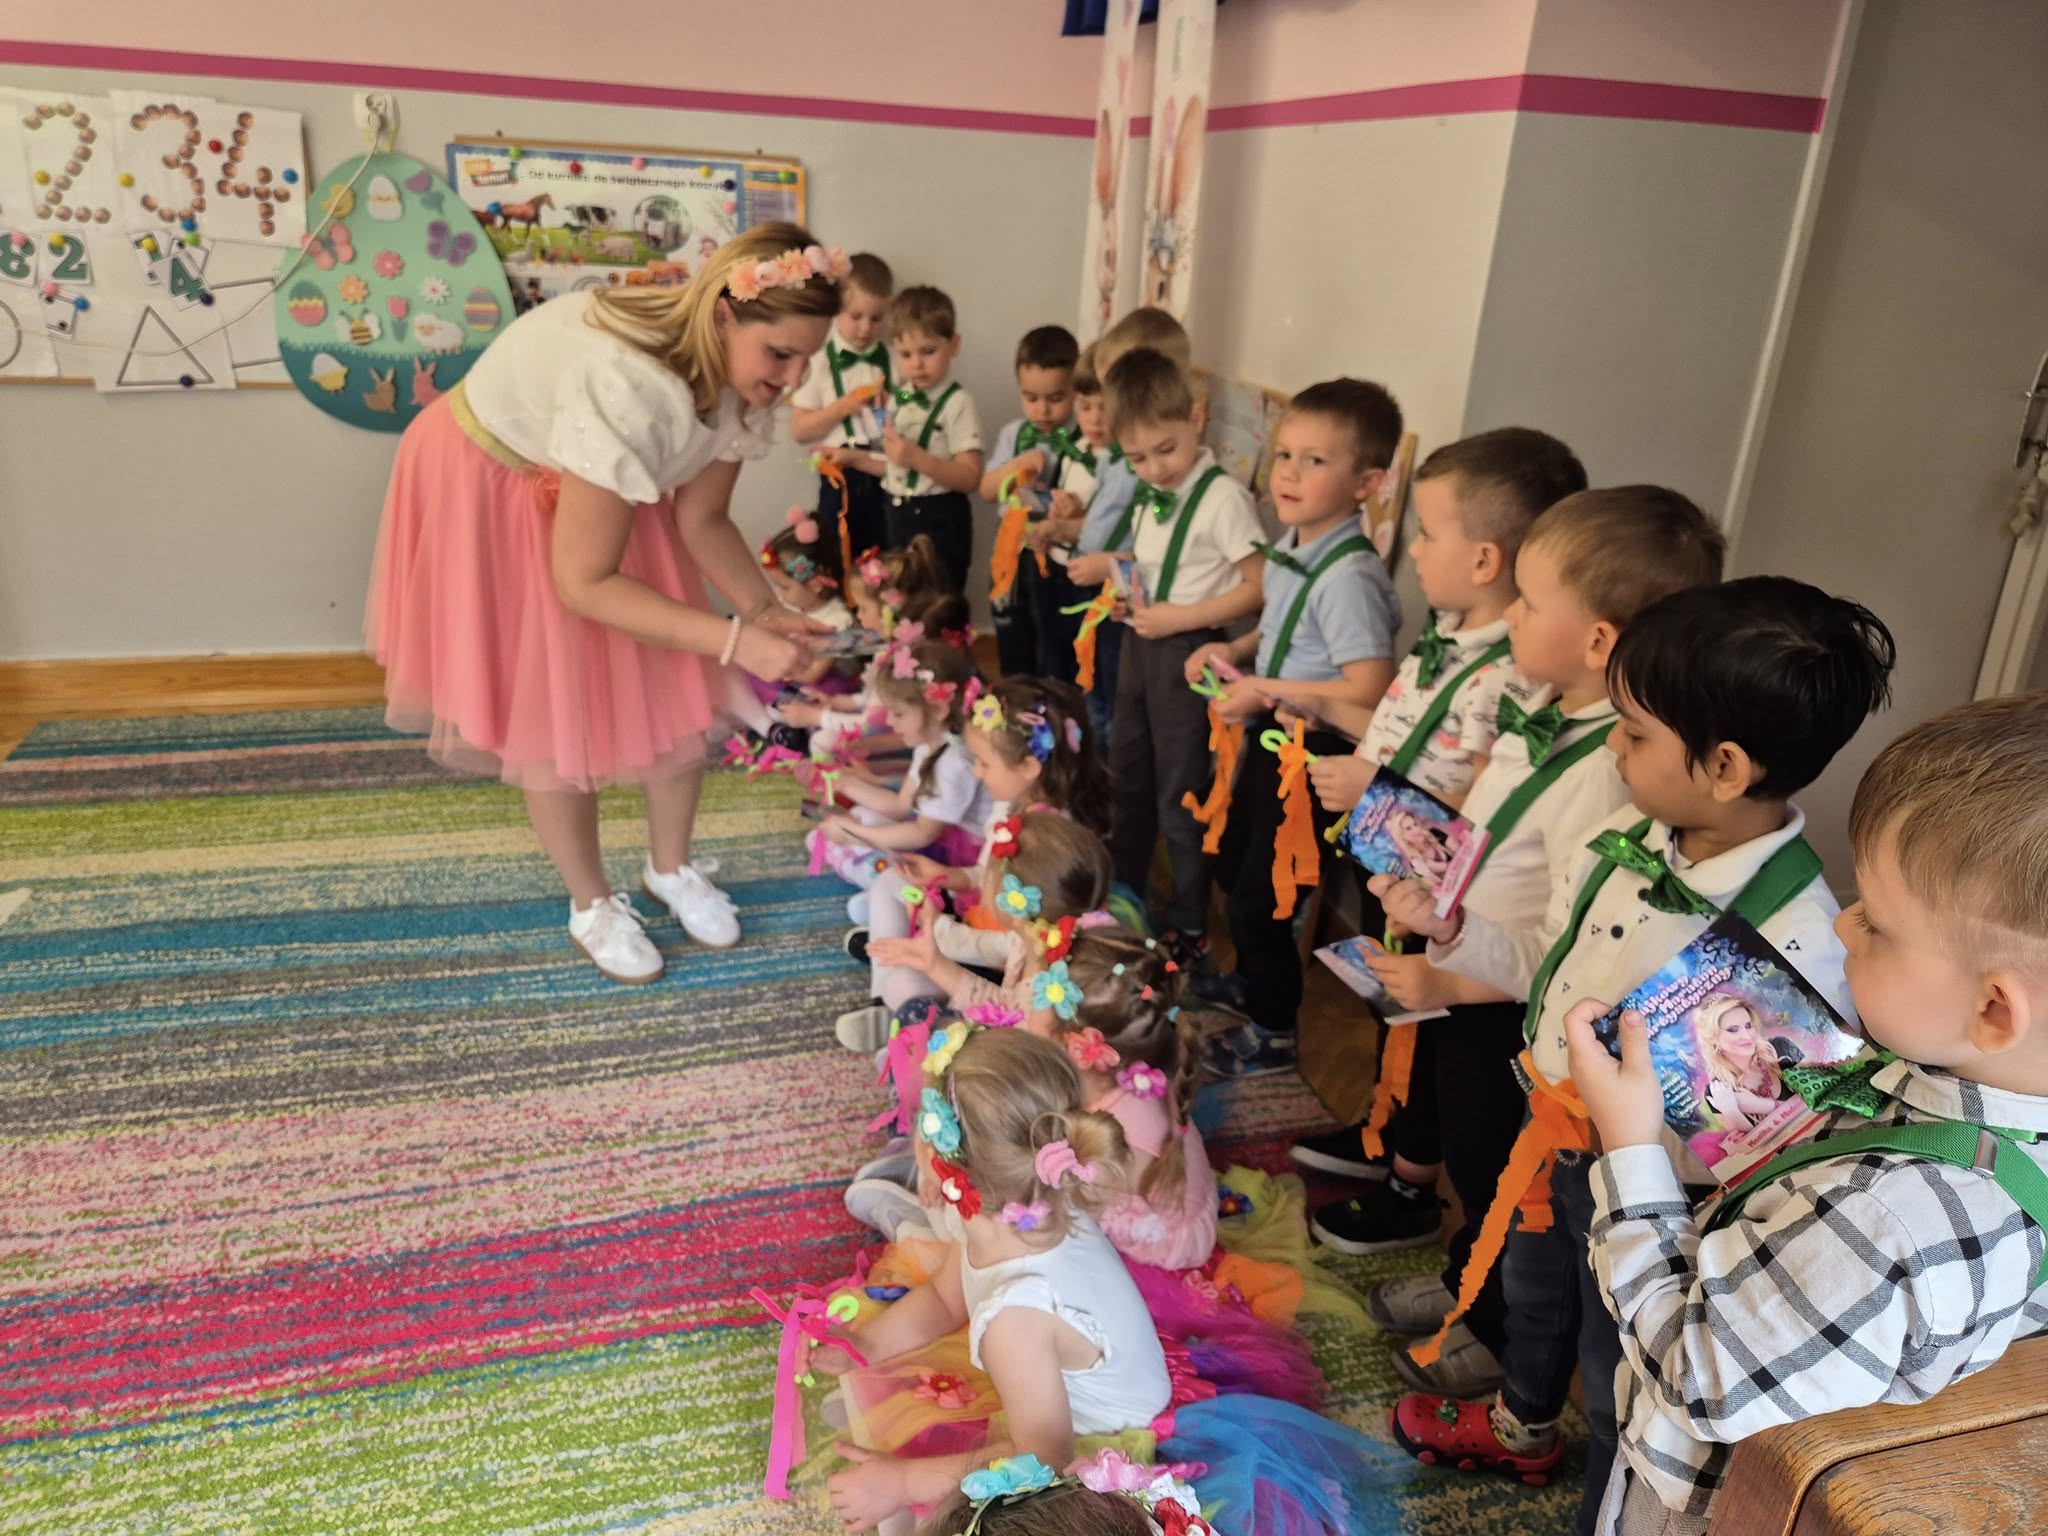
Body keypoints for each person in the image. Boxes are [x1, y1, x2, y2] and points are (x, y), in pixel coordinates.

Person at [1383, 574, 1896, 1536]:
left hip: (1650, 1192)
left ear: (1724, 767)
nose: (1613, 750)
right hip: (1547, 1128)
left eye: (1632, 734)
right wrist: (1453, 937)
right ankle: (1523, 1422)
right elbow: (1547, 962)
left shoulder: (1799, 939)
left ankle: (1606, 1514)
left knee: (1619, 1365)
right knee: (1533, 1292)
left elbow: (1776, 1142)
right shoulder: (1624, 836)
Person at [1572, 690, 2048, 1536]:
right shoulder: (1972, 1099)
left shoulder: (1891, 1217)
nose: (1845, 925)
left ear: (1993, 1009)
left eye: (1878, 923)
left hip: (1705, 1502)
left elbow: (1694, 1377)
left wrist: (1631, 1148)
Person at [367, 222, 840, 985]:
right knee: (556, 705)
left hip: (606, 475)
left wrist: (760, 611)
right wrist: (733, 639)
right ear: (724, 317)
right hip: (496, 480)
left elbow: (702, 518)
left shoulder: (745, 383)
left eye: (807, 358)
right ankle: (590, 903)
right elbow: (583, 583)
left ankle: (670, 866)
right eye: (781, 354)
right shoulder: (627, 382)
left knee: (673, 683)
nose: (793, 377)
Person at [1284, 427, 1586, 1181]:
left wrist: (1376, 791)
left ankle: (1410, 1168)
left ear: (1484, 560)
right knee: (1393, 1016)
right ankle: (1383, 1131)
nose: (1412, 550)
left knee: (1428, 1040)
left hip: (1444, 899)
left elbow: (1478, 813)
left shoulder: (1513, 676)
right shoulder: (1449, 635)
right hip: (1396, 871)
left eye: (1426, 533)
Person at [810, 1027, 1170, 1534]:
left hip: (1086, 1444)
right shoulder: (1016, 1208)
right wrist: (867, 1344)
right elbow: (946, 1296)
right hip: (1040, 1388)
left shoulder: (1015, 1320)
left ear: (935, 1160)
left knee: (942, 1508)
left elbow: (1041, 1460)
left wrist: (903, 1482)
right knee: (901, 1397)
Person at [1184, 379, 1406, 1076]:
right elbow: (1283, 628)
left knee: (1265, 896)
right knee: (1233, 866)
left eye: (1315, 461)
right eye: (1284, 455)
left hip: (1317, 756)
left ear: (1367, 483)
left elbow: (1368, 689)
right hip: (1273, 737)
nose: (1288, 473)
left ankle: (1274, 1029)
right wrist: (1234, 650)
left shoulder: (1348, 577)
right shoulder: (1296, 544)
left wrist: (1264, 690)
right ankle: (1251, 982)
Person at [1069, 348, 1263, 966]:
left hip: (1189, 656)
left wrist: (1179, 617)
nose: (1154, 469)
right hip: (1140, 647)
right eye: (1138, 458)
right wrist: (1124, 592)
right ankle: (1127, 894)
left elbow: (1259, 585)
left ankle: (1189, 921)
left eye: (1166, 450)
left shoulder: (1224, 498)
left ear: (1197, 419)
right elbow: (1155, 564)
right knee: (1128, 774)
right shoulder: (1153, 491)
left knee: (1181, 794)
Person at [833, 286, 985, 593]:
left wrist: (918, 458)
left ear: (954, 345)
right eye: (905, 354)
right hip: (896, 513)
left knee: (939, 603)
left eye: (928, 351)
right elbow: (895, 465)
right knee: (901, 600)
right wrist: (854, 459)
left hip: (939, 517)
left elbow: (970, 477)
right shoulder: (898, 398)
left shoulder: (959, 403)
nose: (917, 364)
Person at [981, 327, 1090, 681]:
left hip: (1056, 556)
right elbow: (986, 489)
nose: (1042, 409)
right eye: (1030, 397)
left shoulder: (1086, 437)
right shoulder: (1014, 433)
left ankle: (1052, 700)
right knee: (1011, 631)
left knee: (1054, 642)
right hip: (1012, 550)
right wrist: (1016, 465)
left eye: (1056, 398)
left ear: (1075, 390)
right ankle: (1015, 696)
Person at [791, 251, 894, 558]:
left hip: (885, 474)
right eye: (856, 316)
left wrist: (895, 403)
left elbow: (911, 413)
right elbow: (800, 430)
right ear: (837, 308)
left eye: (876, 319)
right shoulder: (818, 360)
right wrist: (842, 407)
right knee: (837, 556)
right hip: (839, 477)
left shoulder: (894, 359)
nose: (865, 328)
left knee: (887, 558)